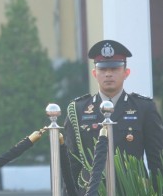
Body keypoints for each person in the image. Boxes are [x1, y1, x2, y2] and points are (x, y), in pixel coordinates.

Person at [64, 40, 163, 195]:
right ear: (94, 73)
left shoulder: (144, 108)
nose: (108, 74)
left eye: (115, 68)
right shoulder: (78, 110)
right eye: (103, 69)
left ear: (126, 73)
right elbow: (71, 164)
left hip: (131, 190)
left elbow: (157, 161)